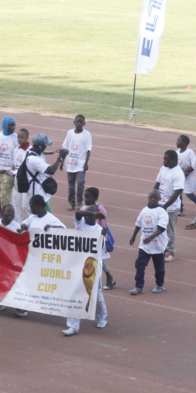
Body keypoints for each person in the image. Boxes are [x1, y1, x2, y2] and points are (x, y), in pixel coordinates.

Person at [62, 204, 108, 336]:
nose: (88, 217)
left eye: (91, 214)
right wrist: (89, 213)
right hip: (77, 265)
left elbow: (101, 251)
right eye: (87, 214)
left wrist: (103, 237)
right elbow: (78, 213)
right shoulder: (80, 223)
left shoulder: (100, 229)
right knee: (75, 293)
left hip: (93, 267)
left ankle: (102, 317)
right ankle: (73, 326)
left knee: (96, 294)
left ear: (96, 216)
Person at [129, 190, 168, 295]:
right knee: (140, 265)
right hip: (144, 245)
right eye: (151, 197)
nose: (153, 199)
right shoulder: (144, 210)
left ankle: (160, 285)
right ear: (148, 198)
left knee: (159, 267)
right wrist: (133, 236)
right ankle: (138, 286)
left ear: (159, 199)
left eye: (155, 198)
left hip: (159, 246)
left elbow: (161, 228)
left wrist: (151, 238)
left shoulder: (162, 212)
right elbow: (138, 224)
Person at [19, 133, 64, 212]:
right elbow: (51, 170)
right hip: (38, 196)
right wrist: (60, 157)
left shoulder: (35, 154)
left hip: (39, 194)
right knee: (45, 220)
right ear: (40, 146)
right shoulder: (34, 159)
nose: (45, 147)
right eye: (44, 145)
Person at [82, 187, 116, 290]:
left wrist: (104, 239)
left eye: (88, 197)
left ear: (95, 198)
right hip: (86, 237)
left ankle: (107, 276)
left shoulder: (100, 209)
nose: (85, 199)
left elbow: (103, 224)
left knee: (97, 258)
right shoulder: (83, 209)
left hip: (97, 238)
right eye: (85, 197)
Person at [154, 150, 184, 262]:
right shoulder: (163, 168)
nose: (164, 161)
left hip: (171, 207)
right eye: (164, 159)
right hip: (159, 204)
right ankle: (161, 249)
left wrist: (165, 206)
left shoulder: (178, 173)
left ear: (174, 160)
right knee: (159, 228)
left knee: (170, 231)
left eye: (167, 159)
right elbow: (157, 183)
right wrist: (153, 197)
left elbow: (177, 192)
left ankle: (170, 252)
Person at [60, 115, 92, 211]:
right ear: (74, 122)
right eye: (77, 122)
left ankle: (79, 202)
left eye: (81, 122)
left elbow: (88, 149)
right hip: (70, 163)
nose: (79, 124)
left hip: (81, 163)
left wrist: (86, 163)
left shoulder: (87, 134)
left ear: (84, 124)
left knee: (80, 182)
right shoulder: (70, 133)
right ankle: (71, 202)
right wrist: (62, 162)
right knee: (71, 185)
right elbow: (65, 148)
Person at [10, 129, 31, 221]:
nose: (19, 139)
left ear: (27, 138)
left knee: (26, 204)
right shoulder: (16, 150)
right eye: (18, 137)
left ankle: (34, 221)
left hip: (26, 181)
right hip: (17, 180)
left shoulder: (30, 151)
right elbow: (14, 165)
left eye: (22, 137)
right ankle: (17, 225)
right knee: (16, 203)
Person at [176, 134, 196, 213]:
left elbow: (194, 164)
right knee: (178, 192)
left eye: (179, 141)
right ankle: (180, 208)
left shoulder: (190, 152)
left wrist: (186, 172)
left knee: (189, 194)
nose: (177, 142)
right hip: (179, 176)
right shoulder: (177, 152)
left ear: (184, 143)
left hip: (188, 176)